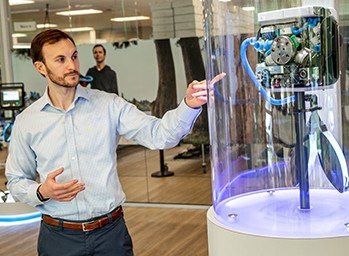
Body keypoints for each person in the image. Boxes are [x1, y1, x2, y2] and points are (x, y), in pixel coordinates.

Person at [5, 29, 225, 256]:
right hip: (58, 238)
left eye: (74, 56)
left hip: (110, 235)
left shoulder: (108, 105)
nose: (71, 65)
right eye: (60, 59)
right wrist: (42, 191)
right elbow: (16, 180)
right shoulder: (27, 122)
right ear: (40, 67)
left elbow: (159, 134)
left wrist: (190, 105)